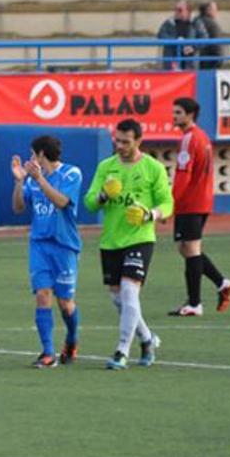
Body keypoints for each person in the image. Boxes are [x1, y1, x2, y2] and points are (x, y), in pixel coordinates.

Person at [83, 118, 173, 370]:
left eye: (125, 141)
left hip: (140, 237)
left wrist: (149, 215)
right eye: (117, 140)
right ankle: (147, 339)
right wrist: (103, 195)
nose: (120, 145)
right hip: (111, 240)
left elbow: (168, 204)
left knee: (129, 291)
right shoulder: (106, 167)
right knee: (117, 298)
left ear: (138, 141)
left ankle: (122, 350)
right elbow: (89, 202)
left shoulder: (153, 168)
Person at [11, 135, 83, 368]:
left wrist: (39, 179)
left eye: (33, 154)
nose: (30, 159)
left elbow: (62, 202)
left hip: (64, 245)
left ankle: (71, 340)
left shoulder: (71, 174)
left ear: (41, 154)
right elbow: (19, 208)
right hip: (40, 244)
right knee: (42, 294)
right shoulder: (31, 180)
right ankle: (48, 352)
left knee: (65, 302)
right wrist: (20, 182)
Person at [168, 98, 230, 317]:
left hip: (191, 202)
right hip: (201, 200)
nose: (174, 116)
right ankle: (222, 283)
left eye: (178, 112)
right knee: (185, 248)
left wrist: (170, 203)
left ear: (190, 115)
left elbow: (183, 175)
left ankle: (195, 303)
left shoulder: (189, 139)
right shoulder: (203, 137)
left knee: (190, 249)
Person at [157, 0, 207, 70]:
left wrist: (193, 47)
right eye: (175, 9)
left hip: (190, 62)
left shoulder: (196, 22)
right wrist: (176, 41)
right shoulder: (169, 23)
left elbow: (204, 37)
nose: (176, 12)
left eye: (180, 10)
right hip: (172, 60)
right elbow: (161, 35)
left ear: (188, 11)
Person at [195, 2, 223, 70]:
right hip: (210, 60)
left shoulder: (196, 20)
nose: (216, 11)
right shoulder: (212, 24)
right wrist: (219, 60)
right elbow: (216, 44)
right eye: (215, 9)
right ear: (208, 10)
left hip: (199, 60)